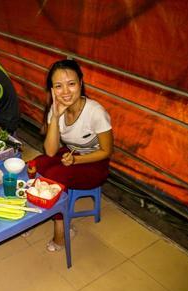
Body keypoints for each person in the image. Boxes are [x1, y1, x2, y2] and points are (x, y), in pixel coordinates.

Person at [35, 59, 113, 252]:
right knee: (35, 165)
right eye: (58, 86)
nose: (66, 92)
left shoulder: (95, 112)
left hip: (96, 163)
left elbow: (106, 151)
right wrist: (55, 117)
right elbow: (51, 151)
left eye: (71, 84)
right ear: (52, 89)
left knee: (55, 178)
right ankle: (35, 212)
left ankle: (62, 229)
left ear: (80, 82)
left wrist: (77, 160)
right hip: (71, 154)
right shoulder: (55, 108)